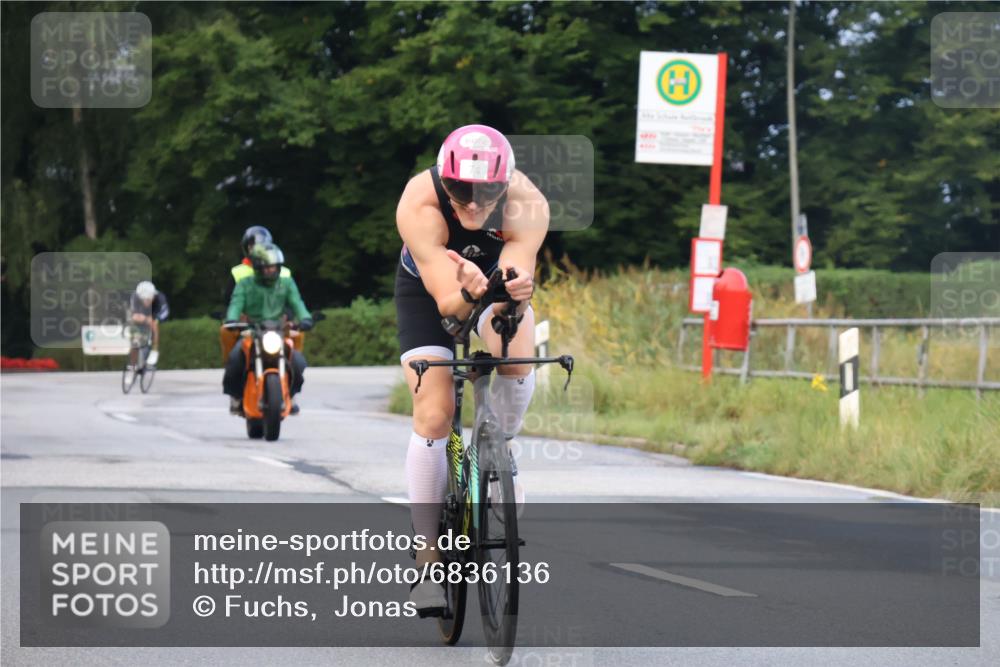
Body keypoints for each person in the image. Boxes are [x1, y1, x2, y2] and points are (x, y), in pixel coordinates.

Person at [394, 124, 548, 615]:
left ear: (505, 184)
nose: (475, 206)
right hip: (432, 291)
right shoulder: (419, 203)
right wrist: (466, 286)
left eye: (487, 194)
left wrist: (516, 293)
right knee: (435, 414)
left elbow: (514, 273)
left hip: (493, 287)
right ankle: (426, 559)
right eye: (461, 191)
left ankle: (499, 447)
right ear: (444, 178)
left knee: (517, 352)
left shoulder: (529, 203)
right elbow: (446, 302)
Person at [222, 242, 313, 415]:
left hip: (278, 332)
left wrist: (305, 318)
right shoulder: (245, 284)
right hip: (251, 331)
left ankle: (291, 395)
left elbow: (297, 303)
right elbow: (236, 303)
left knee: (298, 362)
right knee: (234, 360)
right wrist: (232, 319)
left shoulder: (286, 283)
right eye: (267, 267)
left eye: (274, 267)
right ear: (257, 267)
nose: (271, 270)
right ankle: (236, 398)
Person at [220, 226, 295, 362]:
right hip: (248, 327)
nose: (257, 250)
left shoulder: (284, 272)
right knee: (231, 347)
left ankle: (292, 364)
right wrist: (234, 318)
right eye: (252, 246)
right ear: (246, 248)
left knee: (298, 344)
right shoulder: (238, 272)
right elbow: (228, 304)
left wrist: (288, 316)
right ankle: (230, 365)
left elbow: (292, 303)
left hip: (276, 326)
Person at [128, 281, 169, 367]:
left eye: (148, 299)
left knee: (154, 323)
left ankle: (154, 349)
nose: (146, 301)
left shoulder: (160, 298)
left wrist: (154, 319)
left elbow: (165, 312)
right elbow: (133, 313)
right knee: (134, 322)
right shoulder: (135, 296)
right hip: (140, 312)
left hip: (155, 312)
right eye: (144, 299)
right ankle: (133, 362)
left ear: (153, 296)